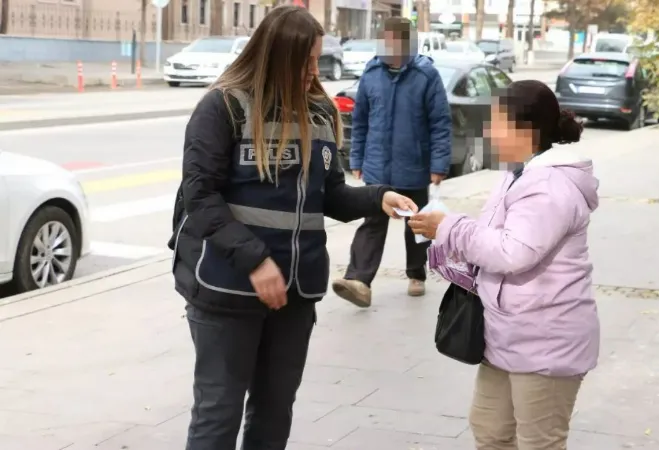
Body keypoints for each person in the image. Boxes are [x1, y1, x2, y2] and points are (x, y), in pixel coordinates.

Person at [167, 6, 418, 450]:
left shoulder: (318, 112)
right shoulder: (224, 106)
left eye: (316, 60)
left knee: (274, 410)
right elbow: (200, 197)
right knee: (218, 413)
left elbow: (332, 194)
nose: (312, 72)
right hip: (227, 291)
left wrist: (377, 196)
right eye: (303, 62)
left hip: (295, 293)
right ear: (275, 56)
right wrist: (255, 260)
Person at [409, 80, 600, 450]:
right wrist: (445, 230)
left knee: (538, 442)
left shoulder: (549, 185)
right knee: (491, 430)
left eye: (495, 123)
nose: (488, 132)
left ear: (524, 130)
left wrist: (450, 227)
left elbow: (514, 252)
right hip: (506, 334)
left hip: (546, 341)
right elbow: (492, 237)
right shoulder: (517, 174)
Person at [331, 17, 452, 308]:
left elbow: (440, 124)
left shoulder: (426, 76)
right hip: (377, 168)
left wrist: (438, 165)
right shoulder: (372, 74)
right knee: (372, 222)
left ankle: (416, 274)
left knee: (416, 224)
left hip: (414, 166)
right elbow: (359, 122)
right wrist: (357, 157)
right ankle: (358, 280)